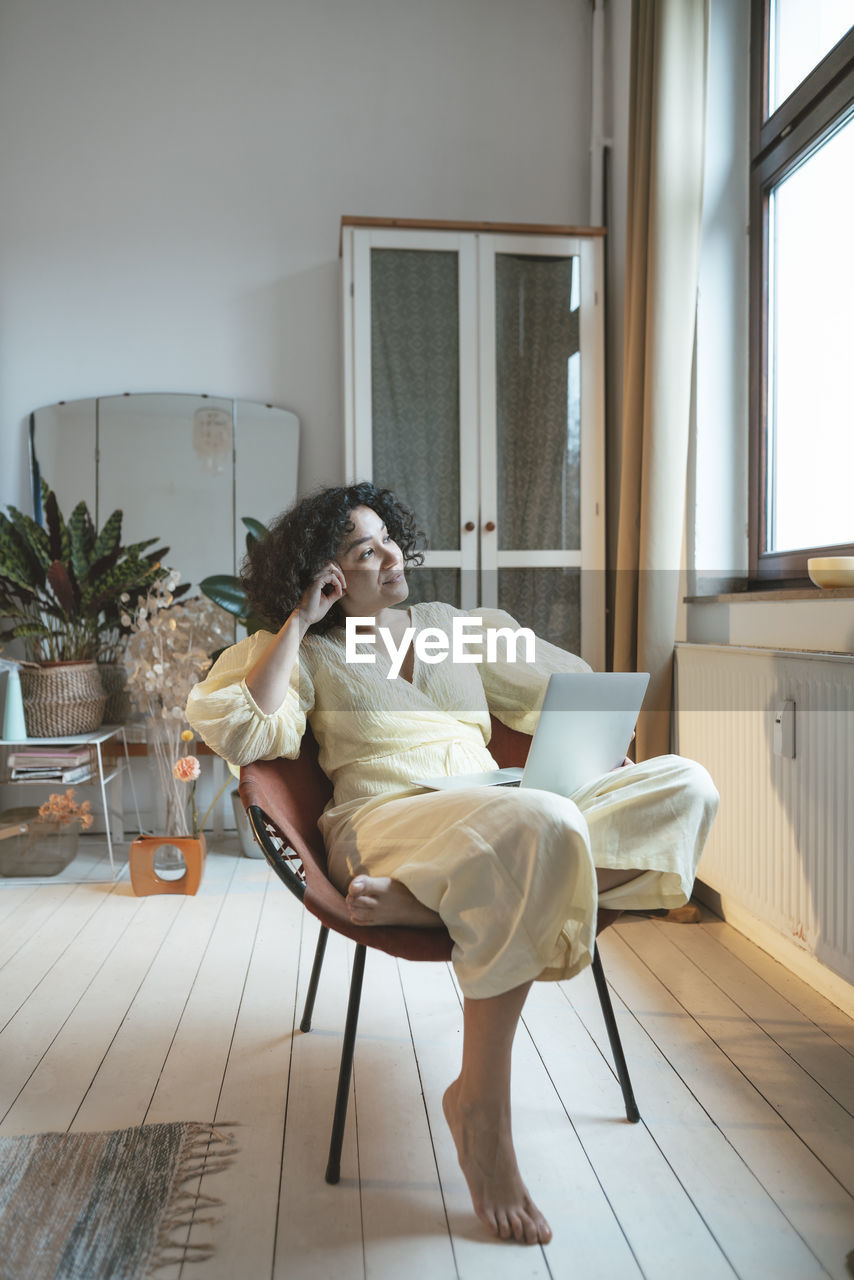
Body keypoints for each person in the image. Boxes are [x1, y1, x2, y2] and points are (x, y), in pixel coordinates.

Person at [186, 481, 718, 1246]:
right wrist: (303, 619)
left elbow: (565, 687)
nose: (390, 555)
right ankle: (481, 1110)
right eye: (362, 550)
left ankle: (434, 903)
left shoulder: (452, 628)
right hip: (390, 819)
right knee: (541, 822)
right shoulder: (310, 651)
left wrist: (589, 746)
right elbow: (240, 730)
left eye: (389, 538)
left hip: (502, 802)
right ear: (323, 574)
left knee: (685, 786)